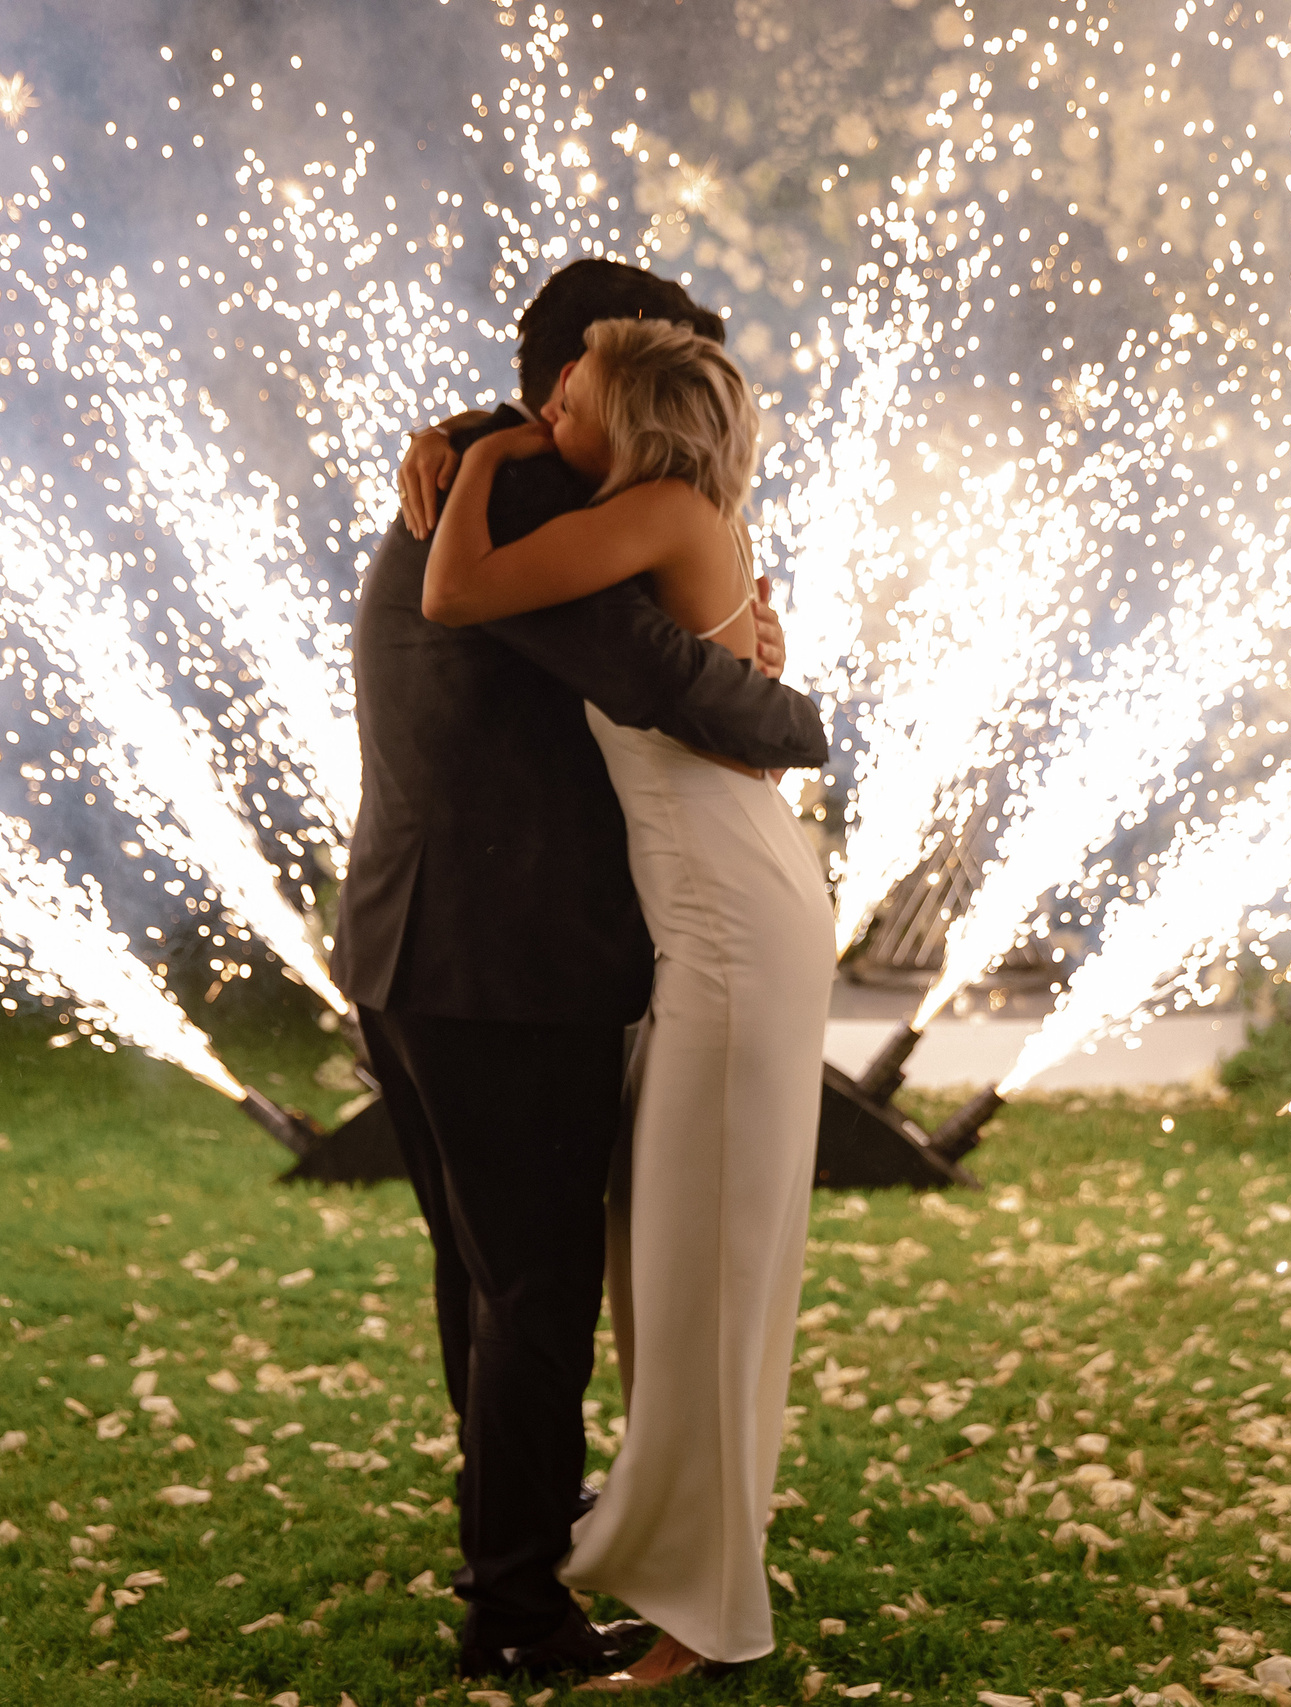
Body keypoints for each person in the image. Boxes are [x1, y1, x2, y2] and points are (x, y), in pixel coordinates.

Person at [334, 258, 828, 1685]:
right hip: (505, 958)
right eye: (654, 370)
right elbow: (658, 678)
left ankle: (512, 1544)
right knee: (534, 1290)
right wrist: (795, 706)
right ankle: (516, 1607)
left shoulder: (477, 473)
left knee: (491, 1281)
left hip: (416, 941)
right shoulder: (528, 496)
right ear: (578, 380)